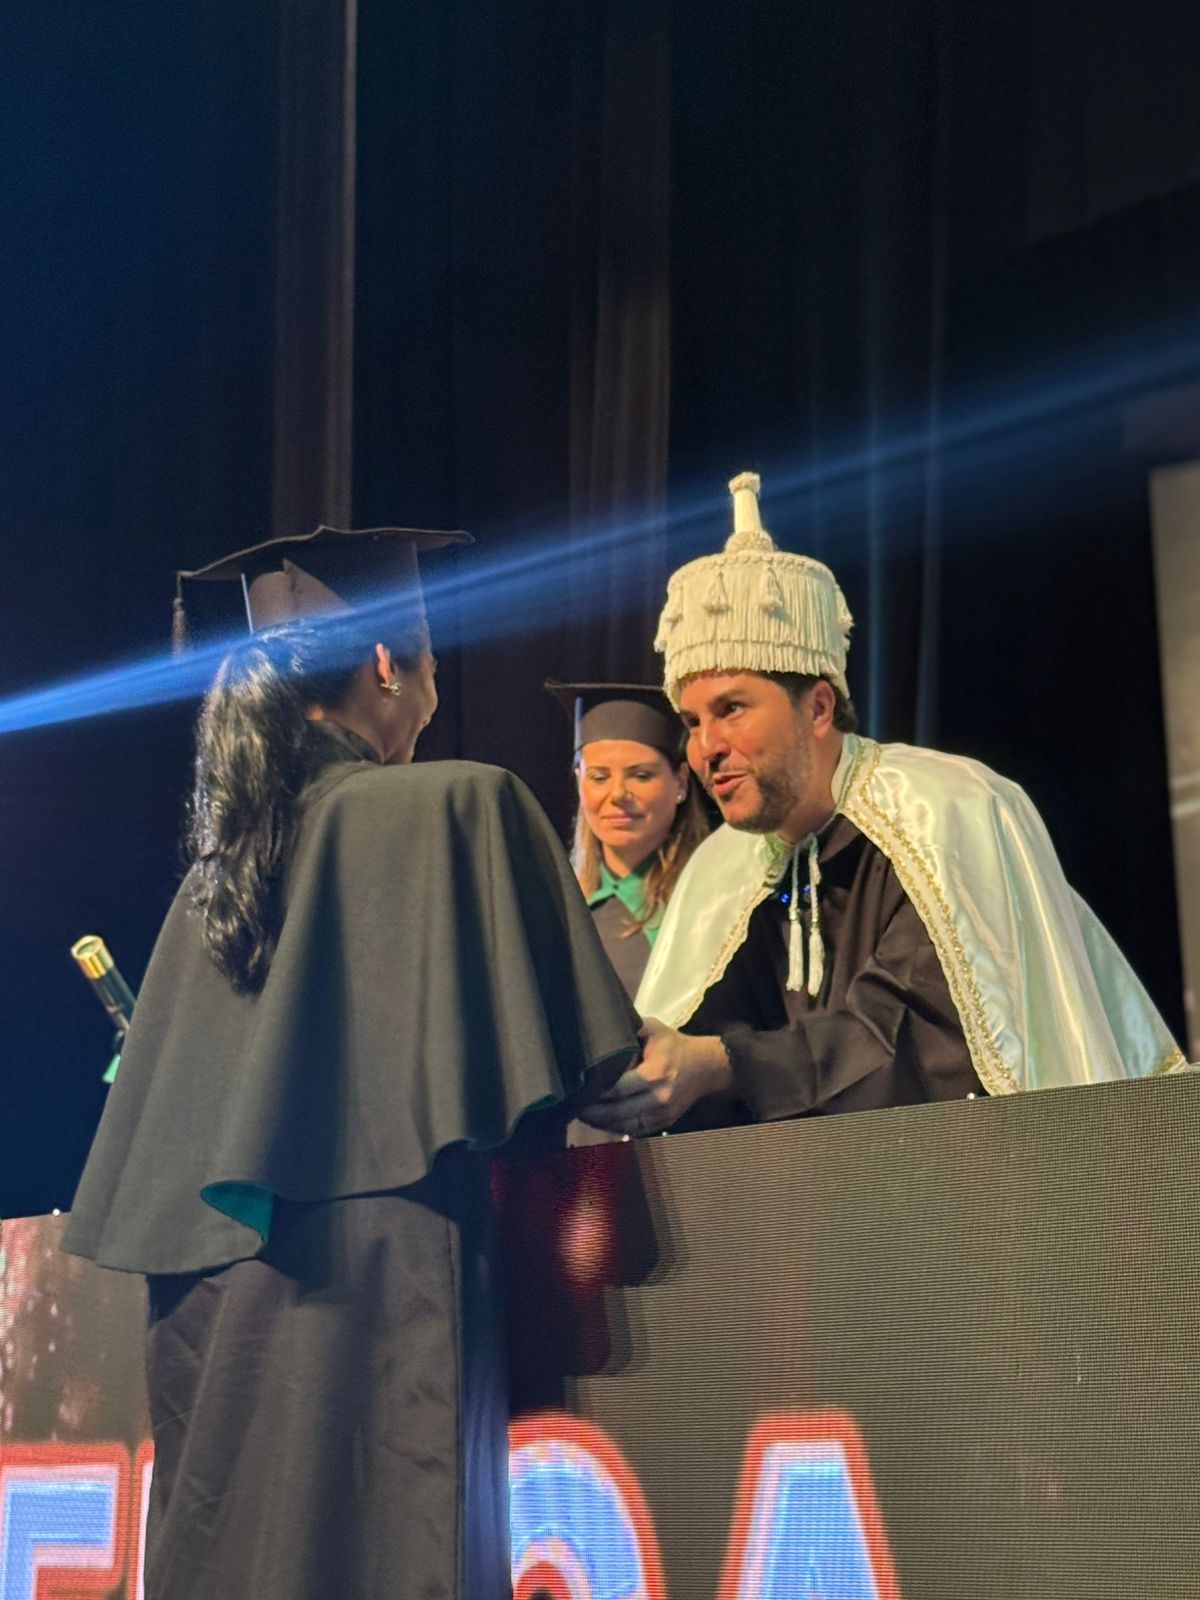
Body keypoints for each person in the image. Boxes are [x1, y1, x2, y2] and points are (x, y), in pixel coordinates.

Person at [62, 524, 638, 1600]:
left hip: (211, 1329)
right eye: (429, 667)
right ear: (385, 664)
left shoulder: (208, 886)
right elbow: (606, 1074)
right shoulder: (459, 809)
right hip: (386, 1296)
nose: (432, 694)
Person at [581, 472, 1185, 1140]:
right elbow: (697, 1038)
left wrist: (723, 1065)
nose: (706, 748)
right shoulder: (724, 870)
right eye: (693, 722)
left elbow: (908, 1038)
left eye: (732, 709)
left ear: (818, 707)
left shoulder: (944, 812)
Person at [545, 680, 710, 999]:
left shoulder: (714, 902)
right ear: (579, 782)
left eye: (641, 775)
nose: (618, 794)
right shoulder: (553, 904)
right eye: (599, 777)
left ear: (680, 782)